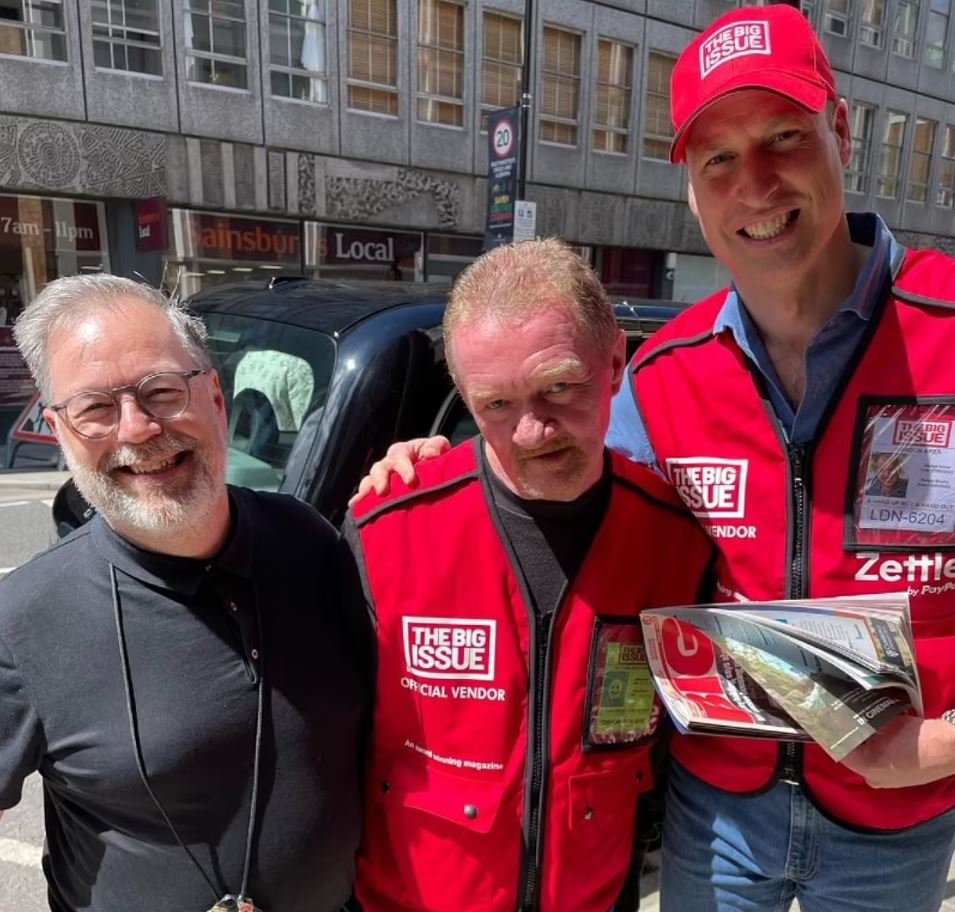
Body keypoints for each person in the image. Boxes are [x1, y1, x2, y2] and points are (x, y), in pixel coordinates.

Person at [355, 7, 955, 911]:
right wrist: (432, 467)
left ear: (840, 132)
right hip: (715, 812)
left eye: (783, 137)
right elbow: (554, 486)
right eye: (717, 157)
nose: (753, 184)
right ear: (689, 187)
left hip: (899, 816)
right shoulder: (661, 374)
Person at [345, 239, 713, 912]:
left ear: (613, 364)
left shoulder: (676, 538)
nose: (531, 432)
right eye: (495, 405)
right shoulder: (385, 531)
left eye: (558, 388)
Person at [1, 275, 367, 911]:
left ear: (217, 399)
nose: (138, 429)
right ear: (60, 432)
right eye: (94, 409)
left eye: (161, 391)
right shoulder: (24, 621)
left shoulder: (309, 543)